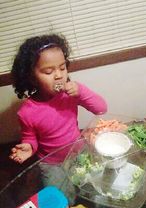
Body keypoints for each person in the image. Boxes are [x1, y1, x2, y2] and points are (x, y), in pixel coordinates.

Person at [9, 33, 107, 197]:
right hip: (51, 164)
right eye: (48, 71)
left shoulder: (71, 93)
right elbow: (30, 138)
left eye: (62, 67)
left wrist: (81, 91)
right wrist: (29, 147)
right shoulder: (27, 112)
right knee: (64, 198)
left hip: (79, 151)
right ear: (31, 77)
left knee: (91, 187)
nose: (59, 75)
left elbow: (101, 109)